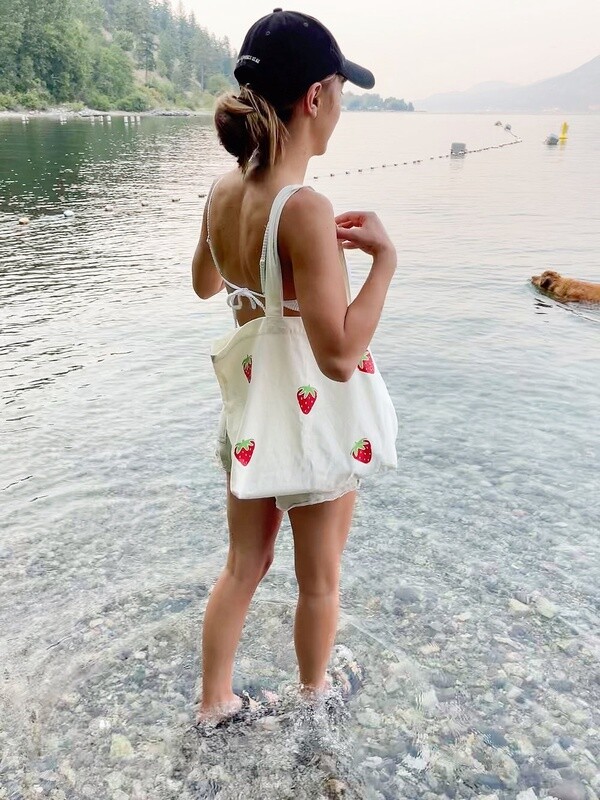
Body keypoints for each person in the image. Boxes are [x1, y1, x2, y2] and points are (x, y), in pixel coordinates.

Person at [192, 8, 397, 726]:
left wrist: (267, 273)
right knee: (319, 581)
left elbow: (206, 283)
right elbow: (338, 356)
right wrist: (384, 263)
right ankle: (314, 698)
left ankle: (215, 704)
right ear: (315, 97)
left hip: (251, 410)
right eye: (340, 91)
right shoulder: (305, 207)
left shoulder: (222, 190)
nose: (341, 106)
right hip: (310, 412)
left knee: (243, 566)